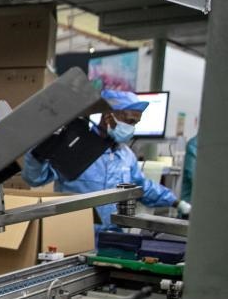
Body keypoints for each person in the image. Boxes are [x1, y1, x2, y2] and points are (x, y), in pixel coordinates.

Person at [22, 89, 190, 230]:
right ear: (108, 116)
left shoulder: (125, 155)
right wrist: (38, 154)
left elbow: (142, 187)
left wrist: (176, 202)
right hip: (75, 233)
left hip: (111, 236)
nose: (131, 128)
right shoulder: (75, 147)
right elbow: (35, 179)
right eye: (129, 121)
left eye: (135, 123)